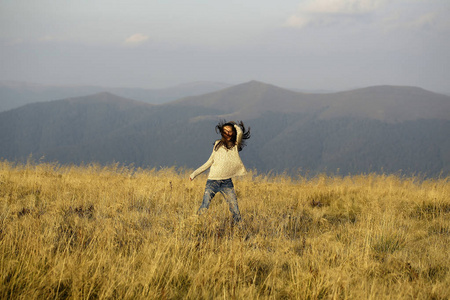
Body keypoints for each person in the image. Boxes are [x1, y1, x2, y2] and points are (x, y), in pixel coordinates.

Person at [189, 120, 251, 223]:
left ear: (233, 132)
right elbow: (209, 162)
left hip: (227, 183)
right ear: (222, 132)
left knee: (234, 208)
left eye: (230, 131)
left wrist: (234, 125)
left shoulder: (236, 145)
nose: (227, 133)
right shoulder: (217, 144)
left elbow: (240, 132)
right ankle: (195, 223)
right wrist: (194, 174)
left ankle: (239, 228)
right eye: (225, 131)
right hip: (212, 181)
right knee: (205, 205)